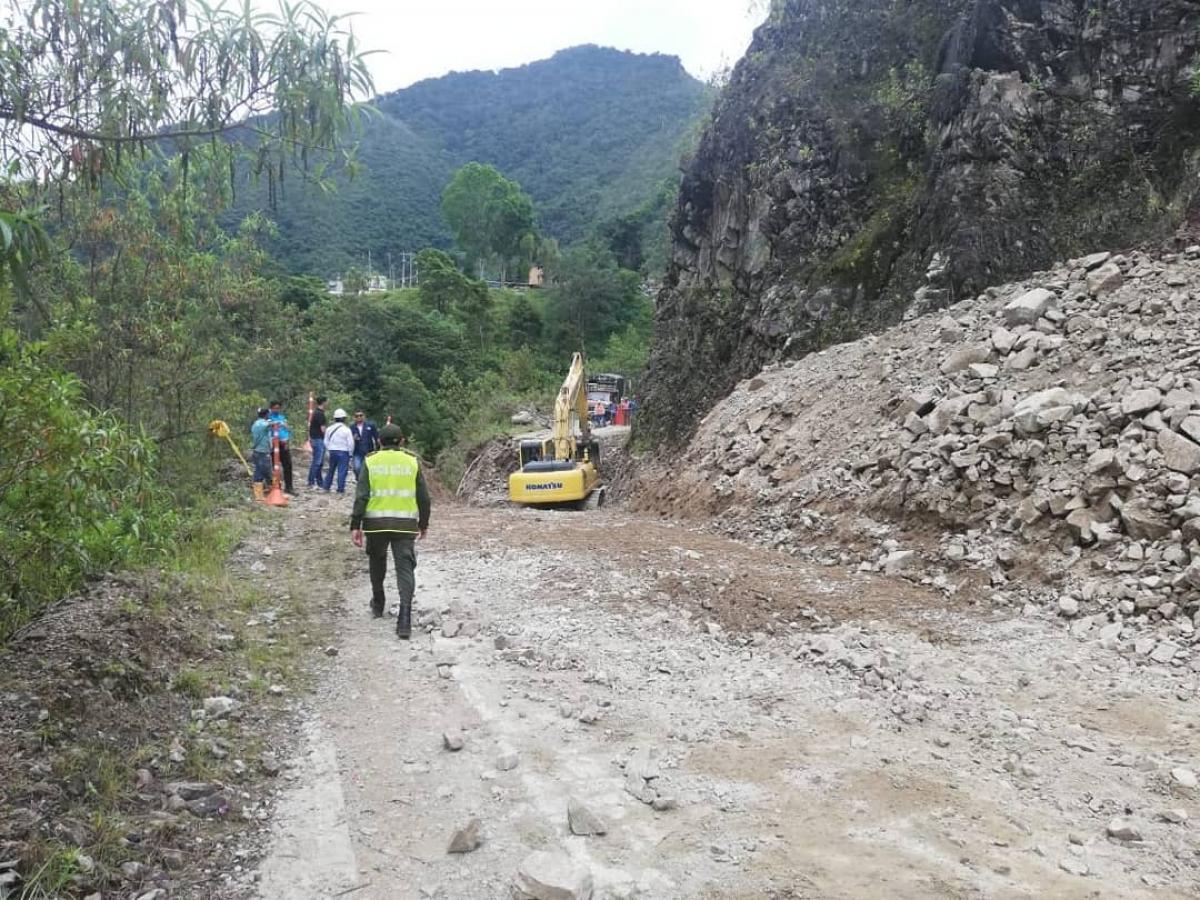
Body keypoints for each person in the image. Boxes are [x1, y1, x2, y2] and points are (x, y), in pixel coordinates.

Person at [350, 424, 431, 636]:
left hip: (376, 524)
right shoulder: (411, 462)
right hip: (404, 525)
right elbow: (423, 497)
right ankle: (404, 619)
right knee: (405, 568)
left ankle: (378, 603)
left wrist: (355, 525)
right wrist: (423, 523)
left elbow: (361, 496)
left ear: (379, 441)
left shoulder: (371, 461)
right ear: (402, 441)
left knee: (377, 561)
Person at [322, 408, 355, 493]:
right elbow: (351, 443)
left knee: (331, 470)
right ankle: (340, 489)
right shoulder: (347, 430)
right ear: (344, 418)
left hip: (332, 451)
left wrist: (329, 449)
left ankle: (326, 486)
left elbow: (325, 441)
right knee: (342, 471)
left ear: (334, 418)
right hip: (344, 452)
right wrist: (350, 454)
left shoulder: (329, 429)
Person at [267, 401, 296, 494]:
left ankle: (289, 487)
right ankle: (276, 486)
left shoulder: (282, 417)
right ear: (271, 408)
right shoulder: (268, 417)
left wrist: (287, 440)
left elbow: (287, 429)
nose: (277, 410)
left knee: (288, 465)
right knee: (275, 466)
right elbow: (268, 429)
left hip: (284, 444)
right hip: (273, 445)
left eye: (278, 408)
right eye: (275, 408)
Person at [250, 407, 273, 501]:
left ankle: (267, 492)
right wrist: (280, 423)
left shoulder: (255, 423)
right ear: (266, 414)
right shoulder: (262, 424)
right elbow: (271, 424)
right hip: (262, 452)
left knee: (263, 471)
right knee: (260, 472)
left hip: (257, 451)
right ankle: (259, 495)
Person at [350, 410, 380, 478]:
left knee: (369, 468)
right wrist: (353, 439)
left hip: (369, 450)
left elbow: (376, 437)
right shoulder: (352, 427)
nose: (359, 417)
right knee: (357, 468)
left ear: (364, 416)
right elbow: (349, 439)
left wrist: (377, 448)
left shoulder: (370, 425)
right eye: (357, 416)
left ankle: (366, 480)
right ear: (354, 417)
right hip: (357, 451)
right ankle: (359, 479)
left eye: (360, 415)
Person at [307, 395, 328, 488]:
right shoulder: (320, 414)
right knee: (317, 462)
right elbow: (323, 429)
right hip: (318, 439)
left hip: (315, 439)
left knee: (319, 462)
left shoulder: (316, 412)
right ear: (324, 402)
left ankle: (320, 482)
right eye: (327, 402)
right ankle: (311, 481)